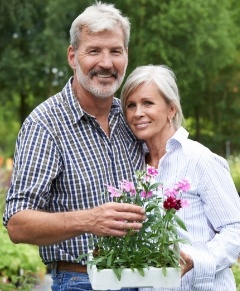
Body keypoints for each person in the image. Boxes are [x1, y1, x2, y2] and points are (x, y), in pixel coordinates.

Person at [3, 2, 146, 291]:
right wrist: (89, 219)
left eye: (115, 51)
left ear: (126, 56)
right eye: (94, 50)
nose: (106, 63)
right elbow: (17, 223)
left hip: (144, 280)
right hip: (81, 281)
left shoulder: (134, 119)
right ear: (72, 56)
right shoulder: (45, 125)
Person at [120, 64, 240, 291]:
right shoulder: (133, 166)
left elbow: (236, 230)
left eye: (148, 103)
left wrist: (193, 258)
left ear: (171, 109)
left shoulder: (200, 160)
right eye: (130, 105)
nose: (138, 113)